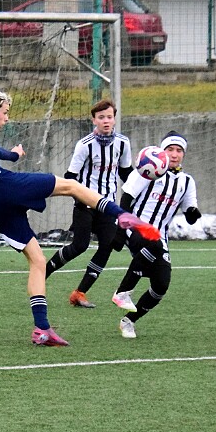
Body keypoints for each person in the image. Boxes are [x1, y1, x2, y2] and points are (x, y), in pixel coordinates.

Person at [0, 88, 160, 346]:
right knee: (71, 186)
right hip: (2, 185)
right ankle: (121, 215)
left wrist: (15, 155)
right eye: (5, 112)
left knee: (38, 260)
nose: (7, 118)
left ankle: (42, 329)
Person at [111, 131, 201, 339]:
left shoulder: (187, 181)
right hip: (134, 227)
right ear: (162, 151)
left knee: (161, 285)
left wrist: (193, 213)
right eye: (170, 149)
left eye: (179, 150)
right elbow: (126, 198)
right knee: (154, 243)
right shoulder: (148, 167)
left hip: (159, 238)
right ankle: (123, 291)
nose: (175, 154)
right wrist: (120, 230)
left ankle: (129, 321)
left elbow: (190, 214)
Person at [45, 99, 133, 308]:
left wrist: (140, 186)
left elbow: (126, 173)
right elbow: (70, 176)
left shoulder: (123, 143)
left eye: (109, 117)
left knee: (107, 246)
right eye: (101, 117)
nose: (106, 121)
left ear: (114, 119)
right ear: (94, 120)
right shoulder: (85, 145)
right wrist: (80, 198)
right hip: (85, 204)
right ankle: (43, 273)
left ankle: (79, 293)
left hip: (108, 206)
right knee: (80, 246)